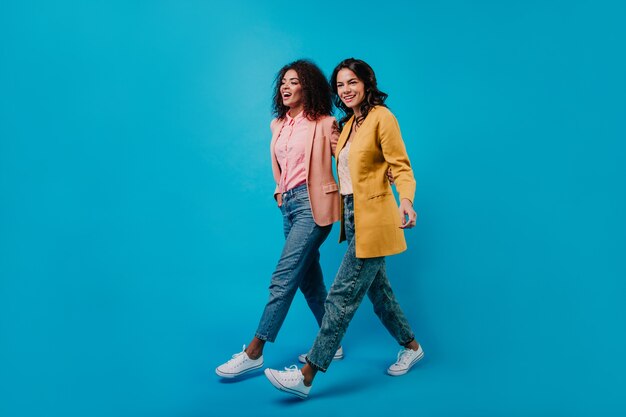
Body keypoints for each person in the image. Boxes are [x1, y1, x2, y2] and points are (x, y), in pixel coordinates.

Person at [264, 58, 423, 398]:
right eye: (340, 85)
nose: (346, 90)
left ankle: (307, 376)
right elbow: (342, 163)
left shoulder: (383, 118)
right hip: (352, 216)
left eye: (352, 82)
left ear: (367, 83)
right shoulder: (348, 124)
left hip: (376, 219)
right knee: (379, 294)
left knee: (340, 296)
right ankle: (412, 346)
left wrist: (405, 200)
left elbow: (400, 166)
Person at [216, 59, 344, 378]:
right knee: (309, 282)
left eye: (294, 82)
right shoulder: (278, 124)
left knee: (283, 277)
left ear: (308, 87)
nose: (286, 87)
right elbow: (282, 166)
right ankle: (333, 342)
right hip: (288, 205)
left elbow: (348, 162)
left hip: (313, 207)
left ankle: (255, 350)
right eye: (283, 82)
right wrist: (279, 193)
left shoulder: (325, 123)